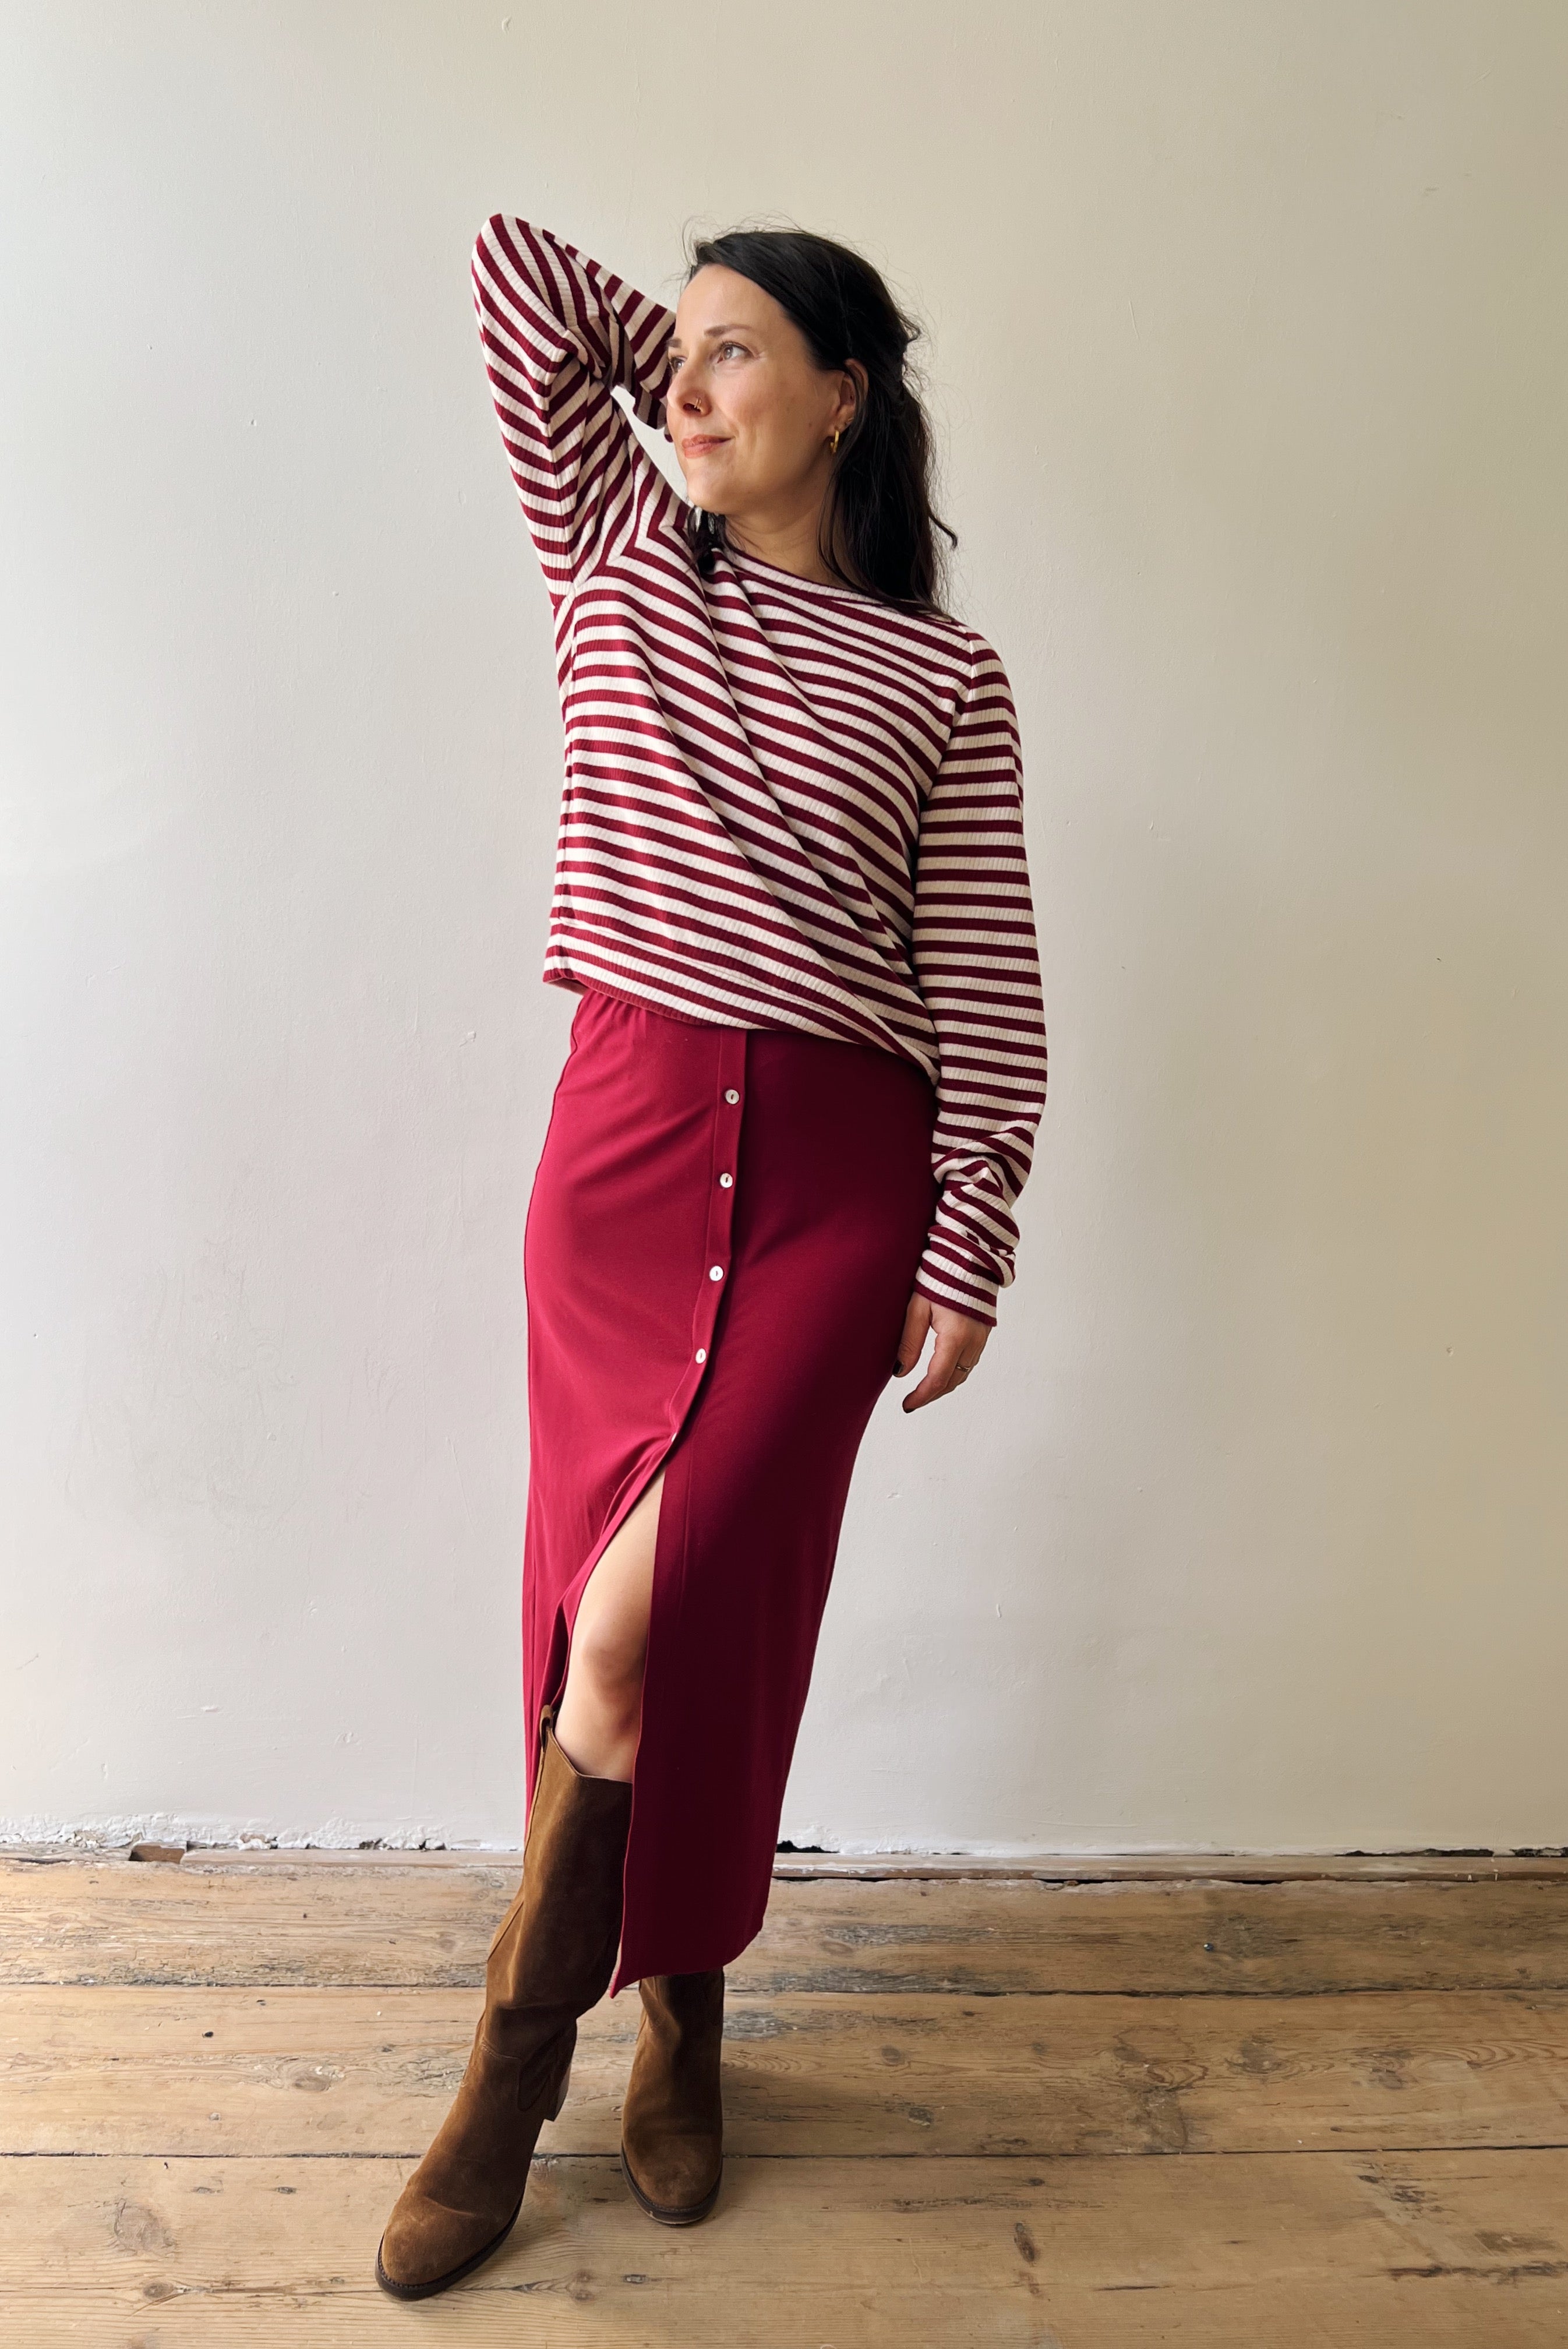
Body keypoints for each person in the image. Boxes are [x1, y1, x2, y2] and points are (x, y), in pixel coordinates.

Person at [375, 212, 1047, 2299]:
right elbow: (509, 270)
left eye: (744, 355)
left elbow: (986, 986)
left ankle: (509, 2078)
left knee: (655, 1624)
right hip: (625, 1160)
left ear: (847, 395)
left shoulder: (945, 677)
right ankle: (677, 2009)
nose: (686, 387)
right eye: (680, 351)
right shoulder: (615, 550)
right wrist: (694, 352)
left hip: (839, 1187)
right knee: (616, 1625)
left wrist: (968, 1235)